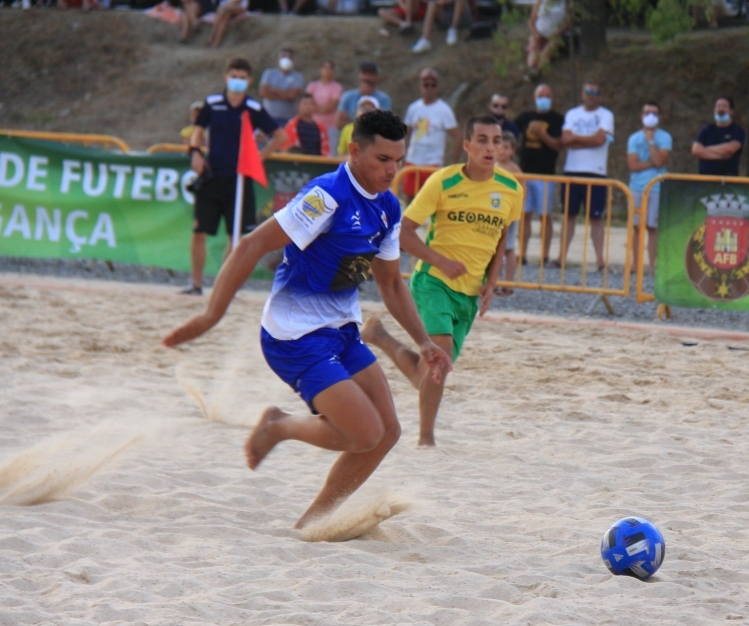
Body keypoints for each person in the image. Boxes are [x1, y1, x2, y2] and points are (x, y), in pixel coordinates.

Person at [163, 109, 452, 529]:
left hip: (342, 332)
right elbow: (252, 244)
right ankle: (278, 425)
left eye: (398, 160)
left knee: (388, 433)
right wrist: (211, 314)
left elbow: (391, 284)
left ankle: (313, 523)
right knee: (365, 432)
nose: (392, 170)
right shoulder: (327, 195)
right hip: (294, 335)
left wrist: (423, 342)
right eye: (382, 160)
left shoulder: (389, 207)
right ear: (354, 151)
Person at [360, 115, 523, 447]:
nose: (490, 148)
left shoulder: (512, 189)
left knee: (430, 372)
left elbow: (502, 238)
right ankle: (426, 440)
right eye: (482, 140)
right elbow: (405, 232)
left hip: (470, 292)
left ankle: (379, 336)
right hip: (432, 281)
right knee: (440, 355)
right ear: (467, 145)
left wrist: (492, 282)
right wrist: (441, 262)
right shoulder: (442, 181)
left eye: (495, 141)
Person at [183, 57, 286, 296]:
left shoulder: (253, 108)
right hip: (212, 176)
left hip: (239, 179)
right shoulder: (212, 103)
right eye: (234, 76)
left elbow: (280, 136)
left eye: (242, 77)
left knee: (236, 234)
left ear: (249, 81)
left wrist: (260, 156)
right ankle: (195, 283)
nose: (237, 81)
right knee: (199, 231)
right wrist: (196, 153)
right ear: (226, 77)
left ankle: (224, 285)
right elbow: (197, 132)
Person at [552, 79, 614, 271]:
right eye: (588, 92)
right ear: (582, 94)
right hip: (572, 170)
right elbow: (565, 140)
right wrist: (588, 140)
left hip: (596, 171)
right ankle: (561, 257)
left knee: (596, 217)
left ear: (600, 96)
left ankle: (600, 260)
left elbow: (599, 140)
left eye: (595, 92)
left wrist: (576, 139)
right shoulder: (572, 114)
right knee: (569, 215)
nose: (591, 96)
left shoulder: (606, 115)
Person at [513, 84, 563, 266]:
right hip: (525, 174)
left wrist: (541, 134)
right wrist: (514, 149)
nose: (544, 99)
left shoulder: (557, 120)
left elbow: (558, 145)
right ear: (535, 98)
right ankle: (522, 254)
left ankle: (545, 255)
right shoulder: (525, 117)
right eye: (541, 95)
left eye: (547, 96)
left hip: (545, 175)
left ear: (552, 98)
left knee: (545, 216)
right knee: (524, 215)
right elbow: (510, 134)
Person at [627, 101, 671, 275]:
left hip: (657, 187)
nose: (650, 116)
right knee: (636, 227)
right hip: (636, 187)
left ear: (659, 117)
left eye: (654, 113)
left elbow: (661, 161)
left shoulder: (665, 137)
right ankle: (635, 264)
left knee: (653, 227)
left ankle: (652, 265)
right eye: (647, 113)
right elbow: (633, 165)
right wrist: (653, 162)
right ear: (641, 115)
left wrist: (651, 142)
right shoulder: (633, 138)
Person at [402, 68, 460, 198]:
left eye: (433, 85)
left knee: (431, 199)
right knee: (410, 198)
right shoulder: (413, 108)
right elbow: (406, 134)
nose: (429, 88)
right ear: (420, 86)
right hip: (412, 161)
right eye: (426, 85)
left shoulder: (444, 110)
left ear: (437, 87)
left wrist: (453, 164)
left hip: (432, 164)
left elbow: (457, 137)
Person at [496, 131, 523, 296]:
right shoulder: (492, 166)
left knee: (509, 247)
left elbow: (522, 192)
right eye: (499, 146)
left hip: (509, 214)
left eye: (506, 147)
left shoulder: (515, 170)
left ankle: (509, 283)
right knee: (493, 248)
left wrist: (515, 210)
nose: (502, 151)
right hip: (494, 213)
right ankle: (494, 281)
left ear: (513, 150)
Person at [692, 96, 744, 176]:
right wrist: (722, 156)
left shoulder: (737, 130)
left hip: (728, 179)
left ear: (731, 111)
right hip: (705, 178)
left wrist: (705, 150)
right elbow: (696, 150)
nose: (721, 109)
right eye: (718, 106)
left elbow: (730, 149)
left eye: (724, 106)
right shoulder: (706, 129)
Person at [336, 62, 392, 129]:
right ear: (359, 76)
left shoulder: (383, 99)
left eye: (371, 73)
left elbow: (385, 124)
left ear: (377, 77)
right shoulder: (348, 96)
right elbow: (339, 123)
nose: (367, 77)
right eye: (364, 73)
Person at [259, 49, 305, 128]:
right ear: (278, 58)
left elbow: (293, 95)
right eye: (283, 56)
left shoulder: (297, 77)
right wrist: (286, 94)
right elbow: (263, 93)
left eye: (289, 57)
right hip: (268, 116)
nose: (286, 59)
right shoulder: (269, 73)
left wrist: (273, 90)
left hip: (288, 118)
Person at [306, 60, 343, 155]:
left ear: (333, 71)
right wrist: (320, 108)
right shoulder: (312, 86)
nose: (327, 71)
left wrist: (316, 107)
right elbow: (307, 104)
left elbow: (330, 107)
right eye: (324, 68)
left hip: (330, 127)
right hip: (313, 126)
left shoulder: (337, 87)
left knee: (330, 153)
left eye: (329, 68)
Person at [526, 0, 568, 79]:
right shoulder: (540, 2)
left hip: (555, 35)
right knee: (535, 49)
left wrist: (556, 34)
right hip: (539, 33)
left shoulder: (565, 3)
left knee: (548, 50)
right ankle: (531, 69)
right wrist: (536, 34)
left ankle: (538, 71)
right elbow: (531, 20)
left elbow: (568, 22)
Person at [338, 96, 379, 161]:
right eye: (362, 109)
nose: (365, 112)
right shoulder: (347, 129)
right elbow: (341, 154)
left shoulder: (380, 131)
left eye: (369, 109)